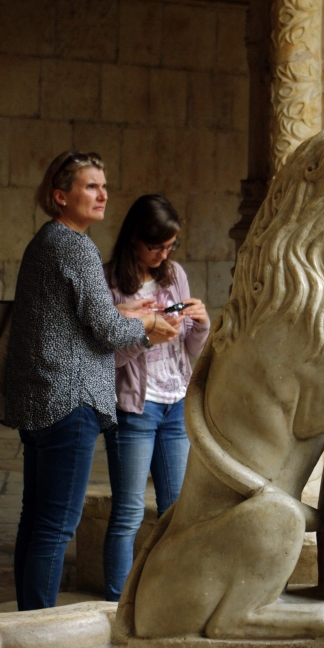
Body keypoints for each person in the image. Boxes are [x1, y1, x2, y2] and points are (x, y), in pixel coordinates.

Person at [5, 152, 178, 611]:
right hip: (70, 399)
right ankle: (40, 627)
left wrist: (124, 313)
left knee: (35, 520)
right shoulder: (76, 246)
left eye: (103, 186)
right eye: (90, 186)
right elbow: (107, 331)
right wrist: (148, 325)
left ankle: (29, 618)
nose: (102, 195)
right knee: (56, 525)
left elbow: (73, 317)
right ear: (61, 196)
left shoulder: (46, 240)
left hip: (40, 399)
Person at [102, 195, 210, 601]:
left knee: (176, 510)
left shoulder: (174, 275)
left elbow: (191, 348)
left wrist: (201, 323)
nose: (164, 255)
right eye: (156, 246)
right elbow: (108, 356)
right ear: (134, 239)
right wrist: (146, 336)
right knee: (129, 512)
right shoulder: (109, 282)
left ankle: (168, 599)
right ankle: (116, 603)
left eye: (170, 246)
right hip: (136, 407)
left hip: (176, 402)